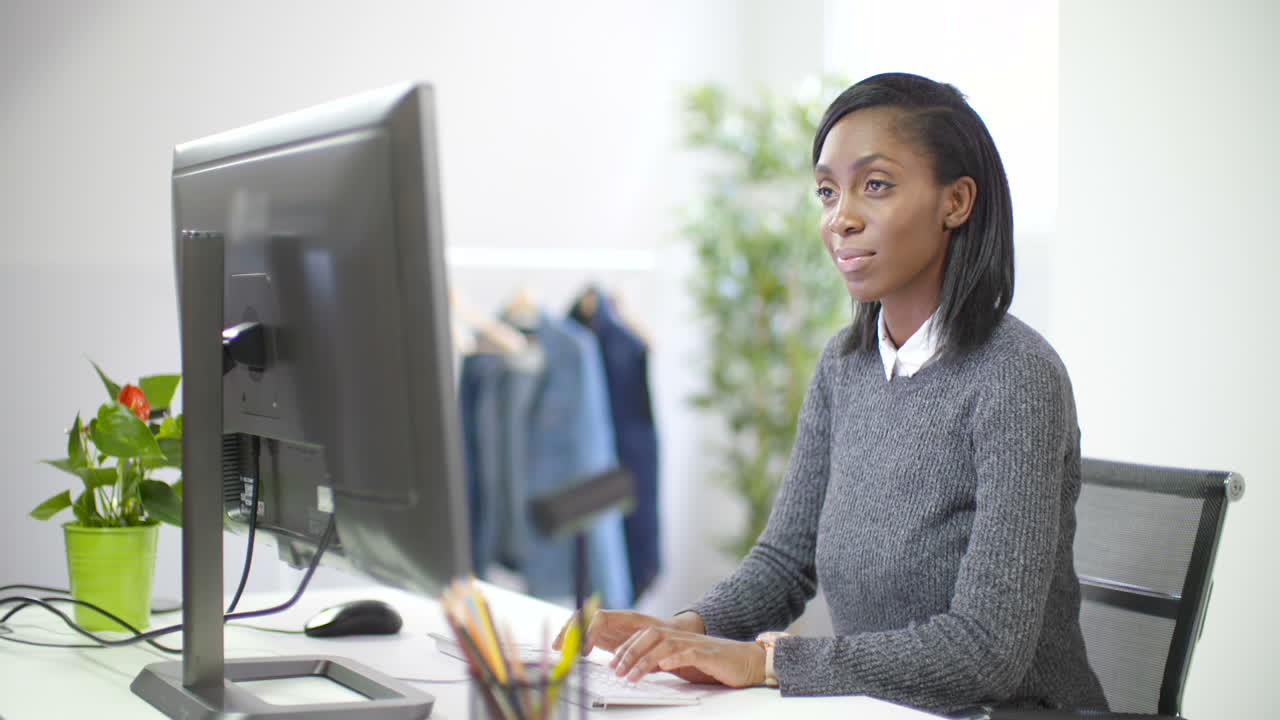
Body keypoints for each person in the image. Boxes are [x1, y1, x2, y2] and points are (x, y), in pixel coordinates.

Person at [555, 72, 1108, 715]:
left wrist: (768, 664)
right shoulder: (844, 366)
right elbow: (785, 565)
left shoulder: (1017, 377)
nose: (840, 218)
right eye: (827, 191)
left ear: (955, 202)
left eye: (875, 185)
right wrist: (687, 630)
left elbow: (984, 650)